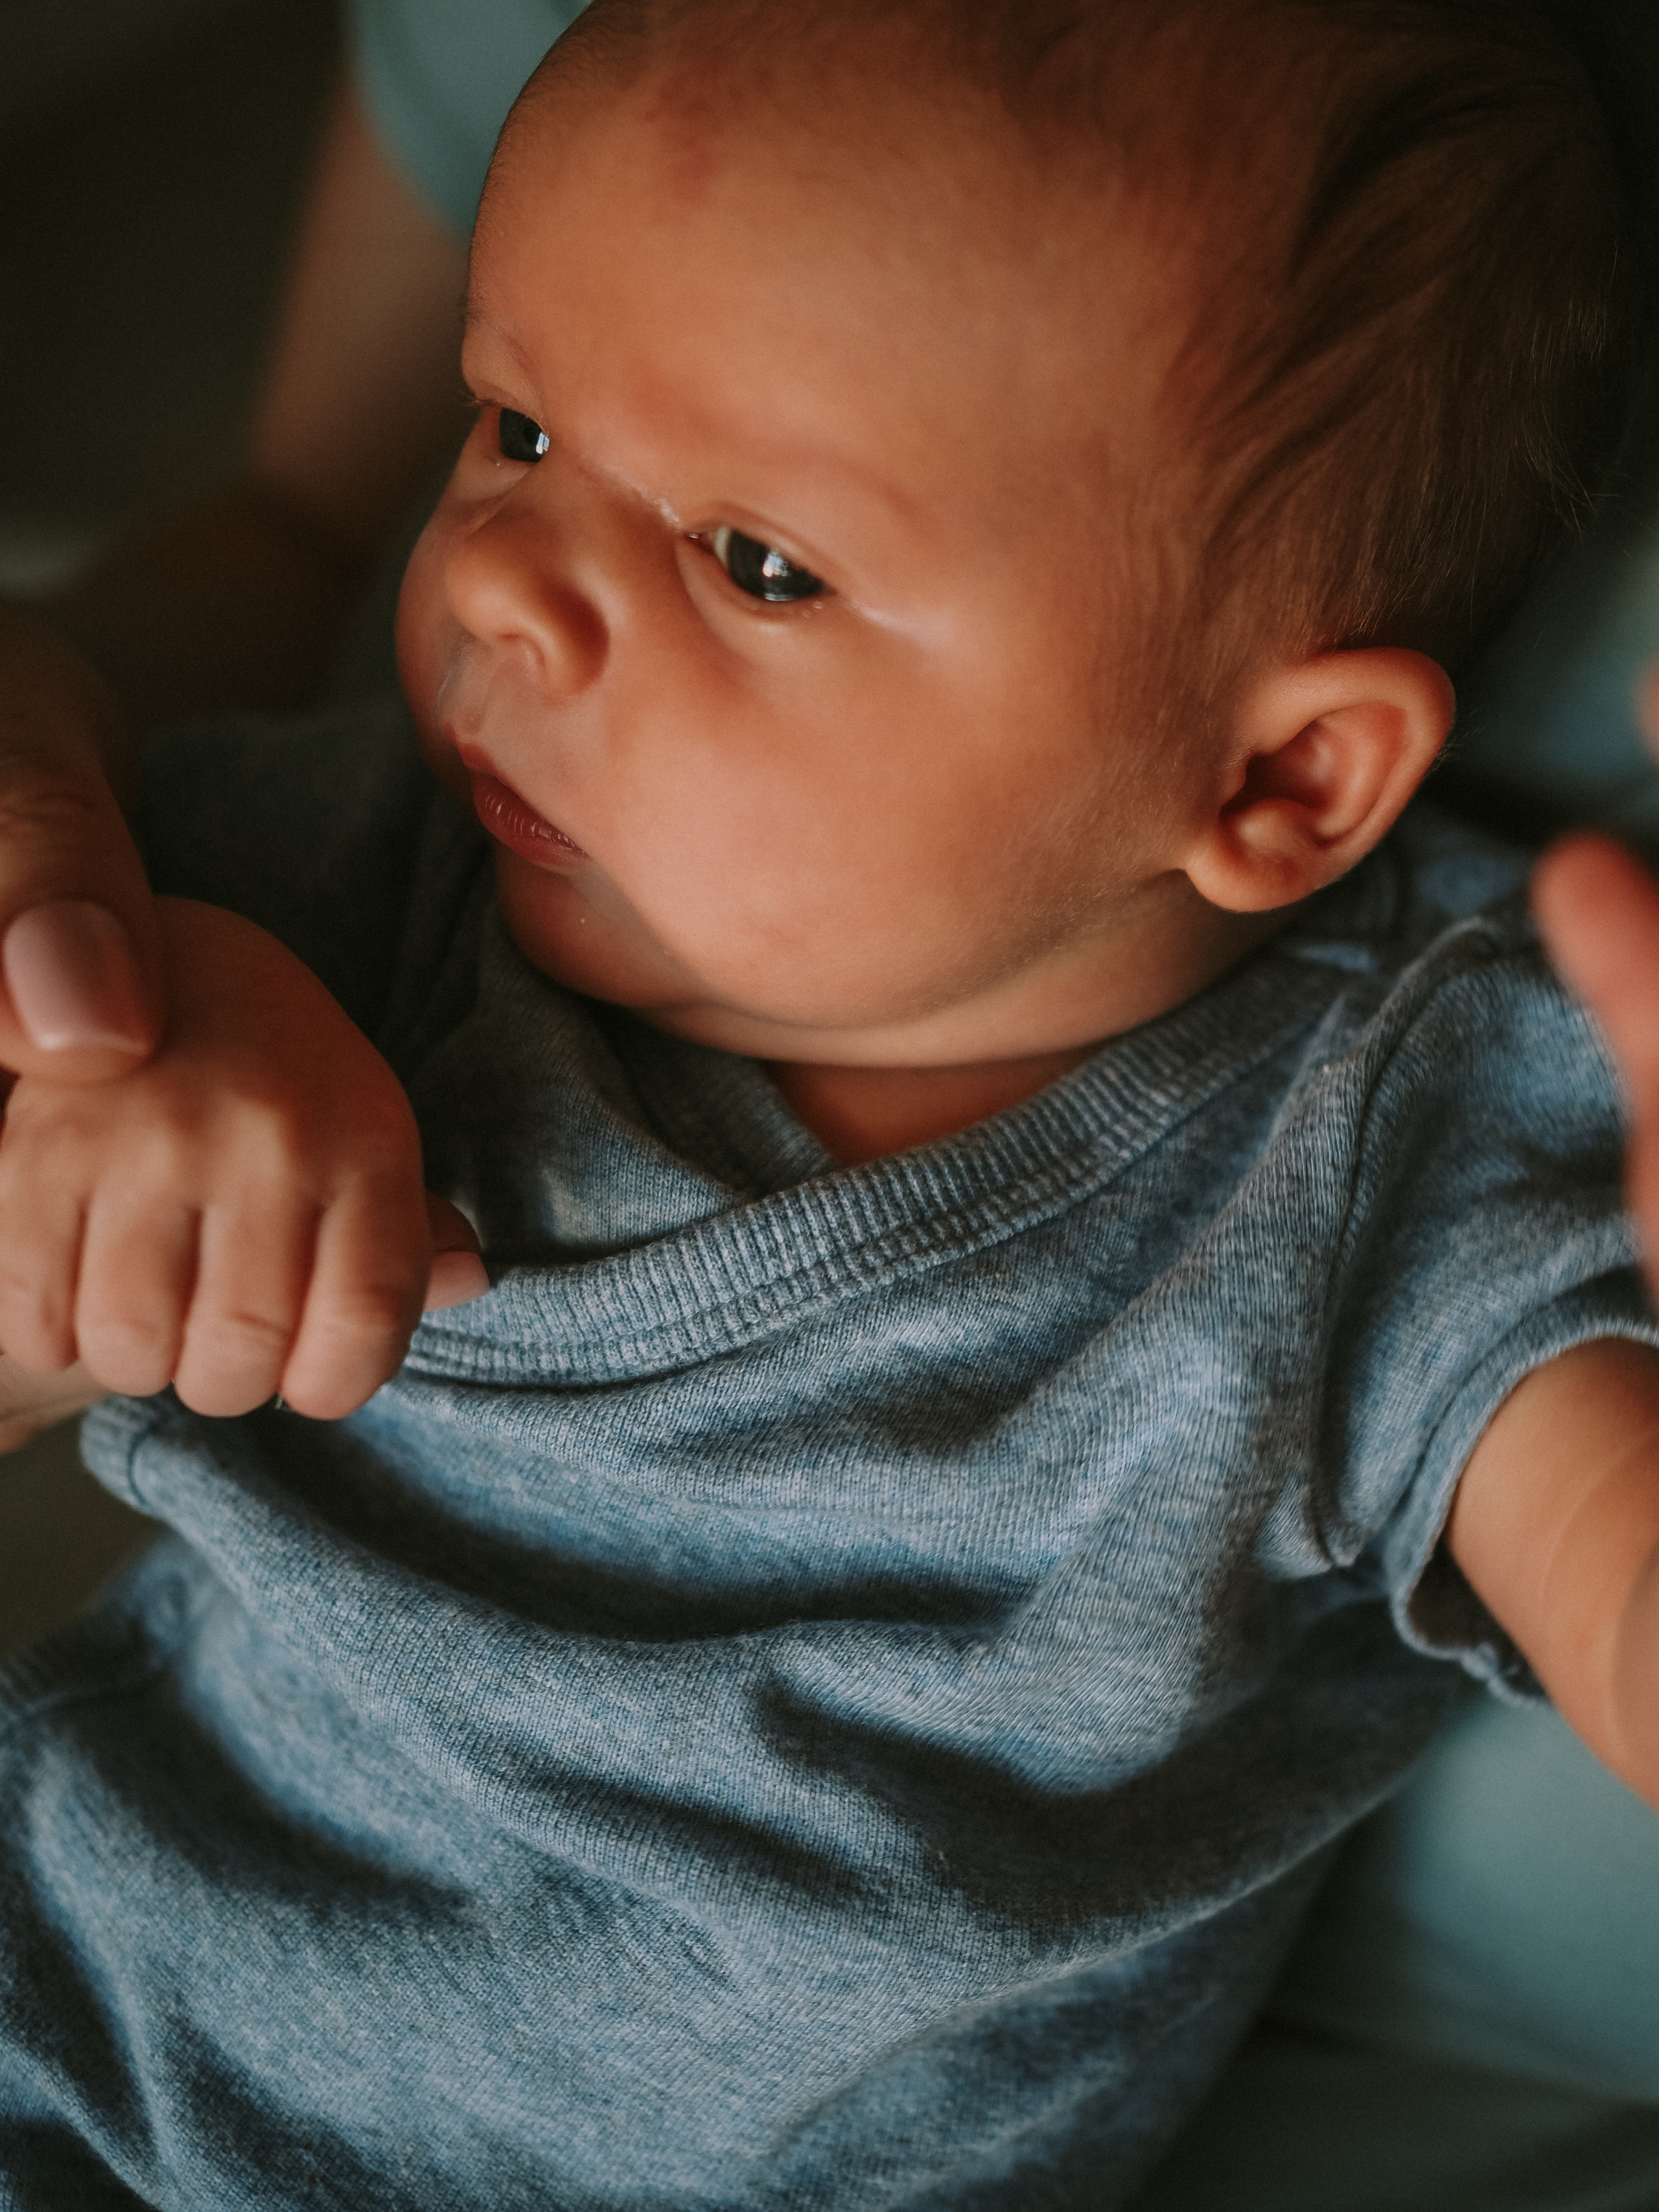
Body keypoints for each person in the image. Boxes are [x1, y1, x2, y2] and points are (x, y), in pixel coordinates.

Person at [0, 3, 1652, 2204]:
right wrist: (90, 1180)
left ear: (1280, 779)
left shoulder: (1392, 1142)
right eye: (512, 425)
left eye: (756, 560)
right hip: (81, 2045)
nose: (495, 574)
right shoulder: (362, 901)